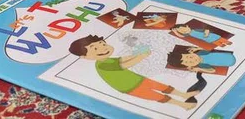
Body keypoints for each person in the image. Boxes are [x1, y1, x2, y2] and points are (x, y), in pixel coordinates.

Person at [68, 35, 198, 110]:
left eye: (102, 44)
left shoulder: (107, 59)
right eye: (95, 48)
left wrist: (137, 53)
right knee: (156, 96)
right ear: (84, 57)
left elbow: (122, 59)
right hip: (129, 87)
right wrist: (141, 56)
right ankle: (182, 105)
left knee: (162, 87)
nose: (103, 48)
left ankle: (183, 95)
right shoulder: (102, 64)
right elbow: (124, 65)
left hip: (137, 79)